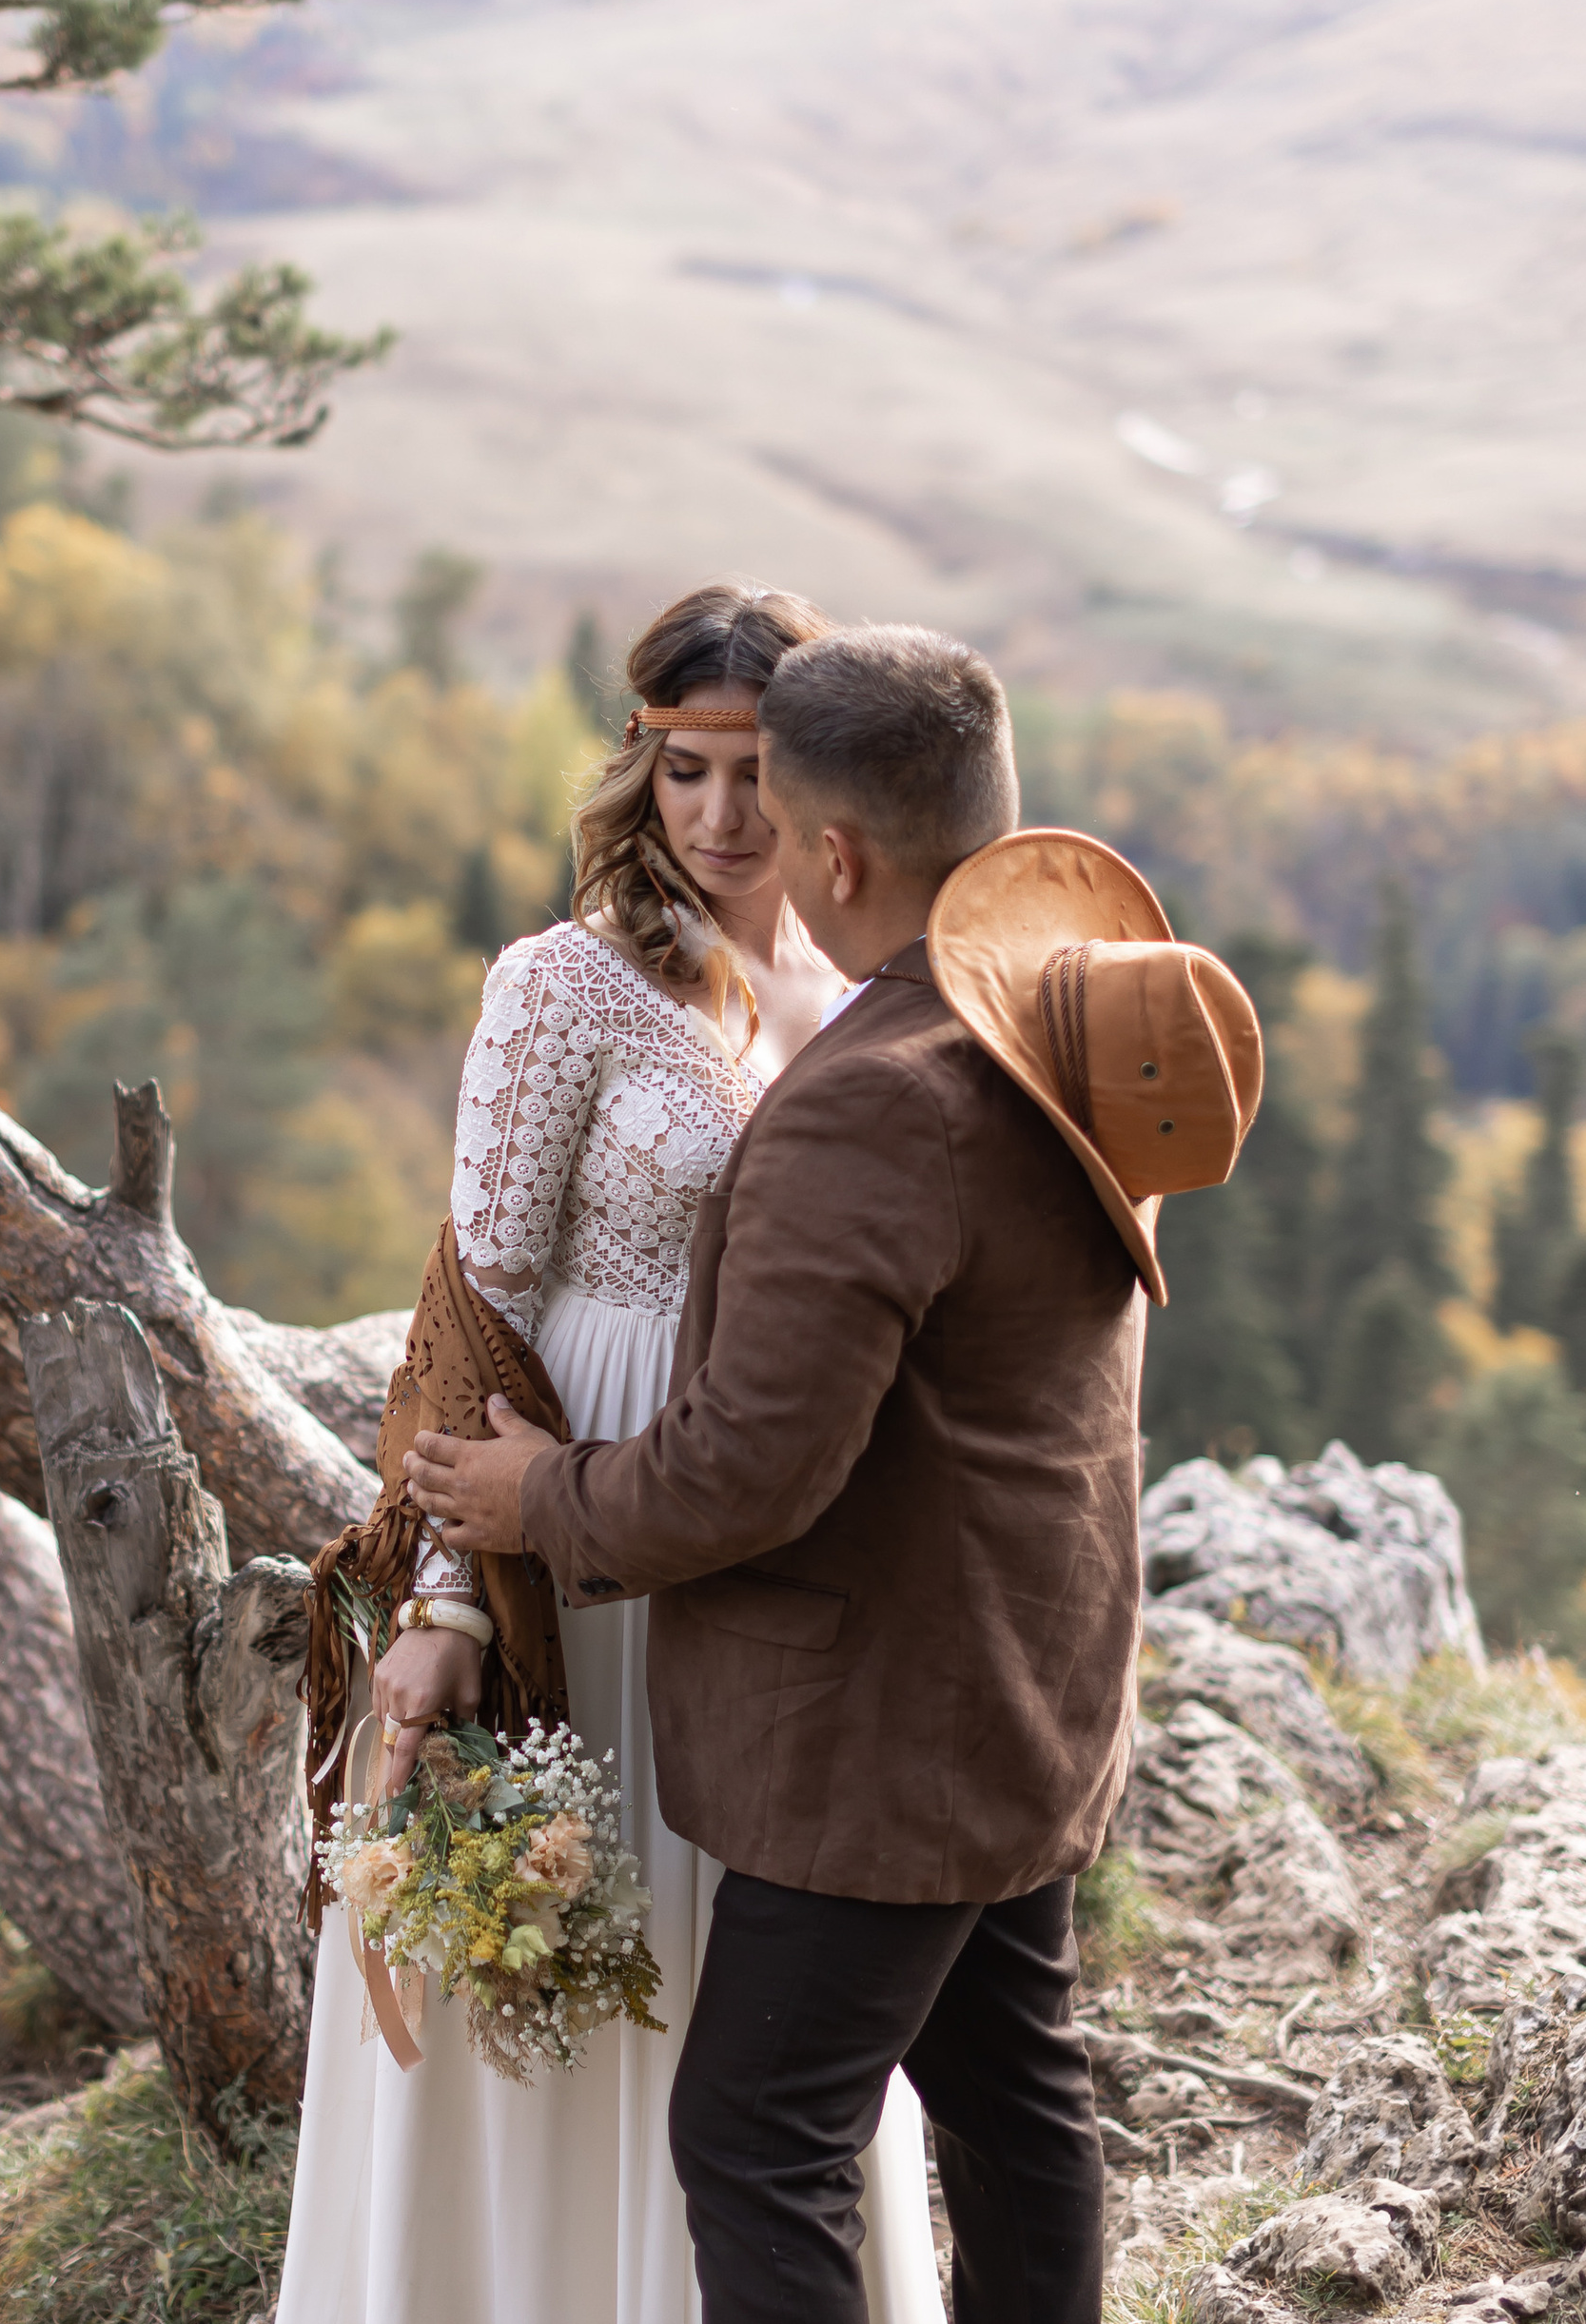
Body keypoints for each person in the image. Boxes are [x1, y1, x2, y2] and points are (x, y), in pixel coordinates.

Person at [405, 623, 1249, 2322]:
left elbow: (746, 1470)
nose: (748, 847)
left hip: (883, 1730)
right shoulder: (1059, 1016)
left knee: (755, 2140)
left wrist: (533, 1503)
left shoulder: (870, 1101)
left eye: (778, 818)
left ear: (840, 855)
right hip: (1033, 1681)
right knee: (1014, 2099)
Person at [277, 587, 946, 2324]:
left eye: (754, 773)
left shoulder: (856, 993)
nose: (718, 817)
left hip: (767, 1523)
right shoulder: (562, 986)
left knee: (747, 1973)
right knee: (564, 1940)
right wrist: (449, 1601)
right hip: (562, 1513)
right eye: (681, 770)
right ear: (638, 769)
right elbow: (474, 1311)